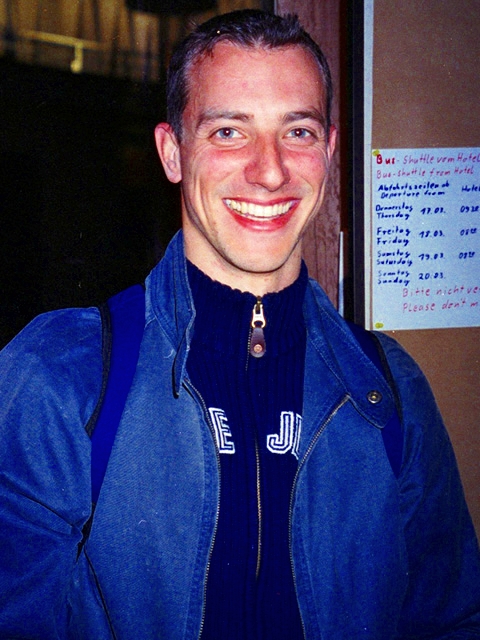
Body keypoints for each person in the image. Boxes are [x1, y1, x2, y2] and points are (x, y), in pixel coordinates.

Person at [0, 9, 479, 640]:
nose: (270, 170)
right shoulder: (60, 377)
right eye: (229, 132)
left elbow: (450, 621)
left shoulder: (391, 391)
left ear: (330, 150)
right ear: (173, 152)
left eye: (298, 132)